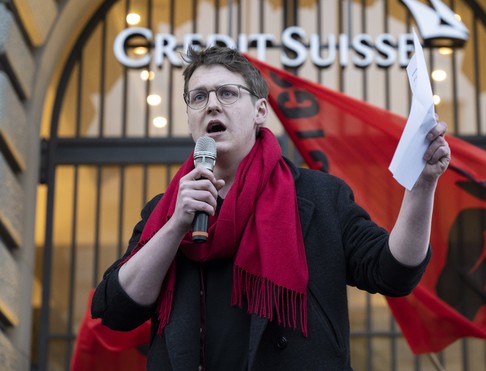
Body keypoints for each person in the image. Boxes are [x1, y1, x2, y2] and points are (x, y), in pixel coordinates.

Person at [91, 45, 451, 370]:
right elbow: (116, 310)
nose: (212, 104)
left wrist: (422, 186)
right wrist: (174, 227)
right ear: (190, 120)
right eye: (198, 97)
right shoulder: (166, 210)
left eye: (227, 93)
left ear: (260, 110)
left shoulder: (321, 197)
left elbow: (392, 271)